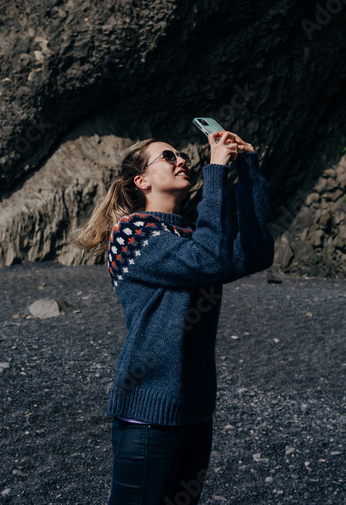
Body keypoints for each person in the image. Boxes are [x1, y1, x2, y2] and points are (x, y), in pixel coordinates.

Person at [74, 131, 274, 505]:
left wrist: (248, 169)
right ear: (142, 180)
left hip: (195, 413)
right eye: (168, 156)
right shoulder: (131, 233)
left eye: (181, 154)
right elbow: (209, 259)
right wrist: (215, 170)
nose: (181, 159)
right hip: (148, 416)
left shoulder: (190, 235)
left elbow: (256, 252)